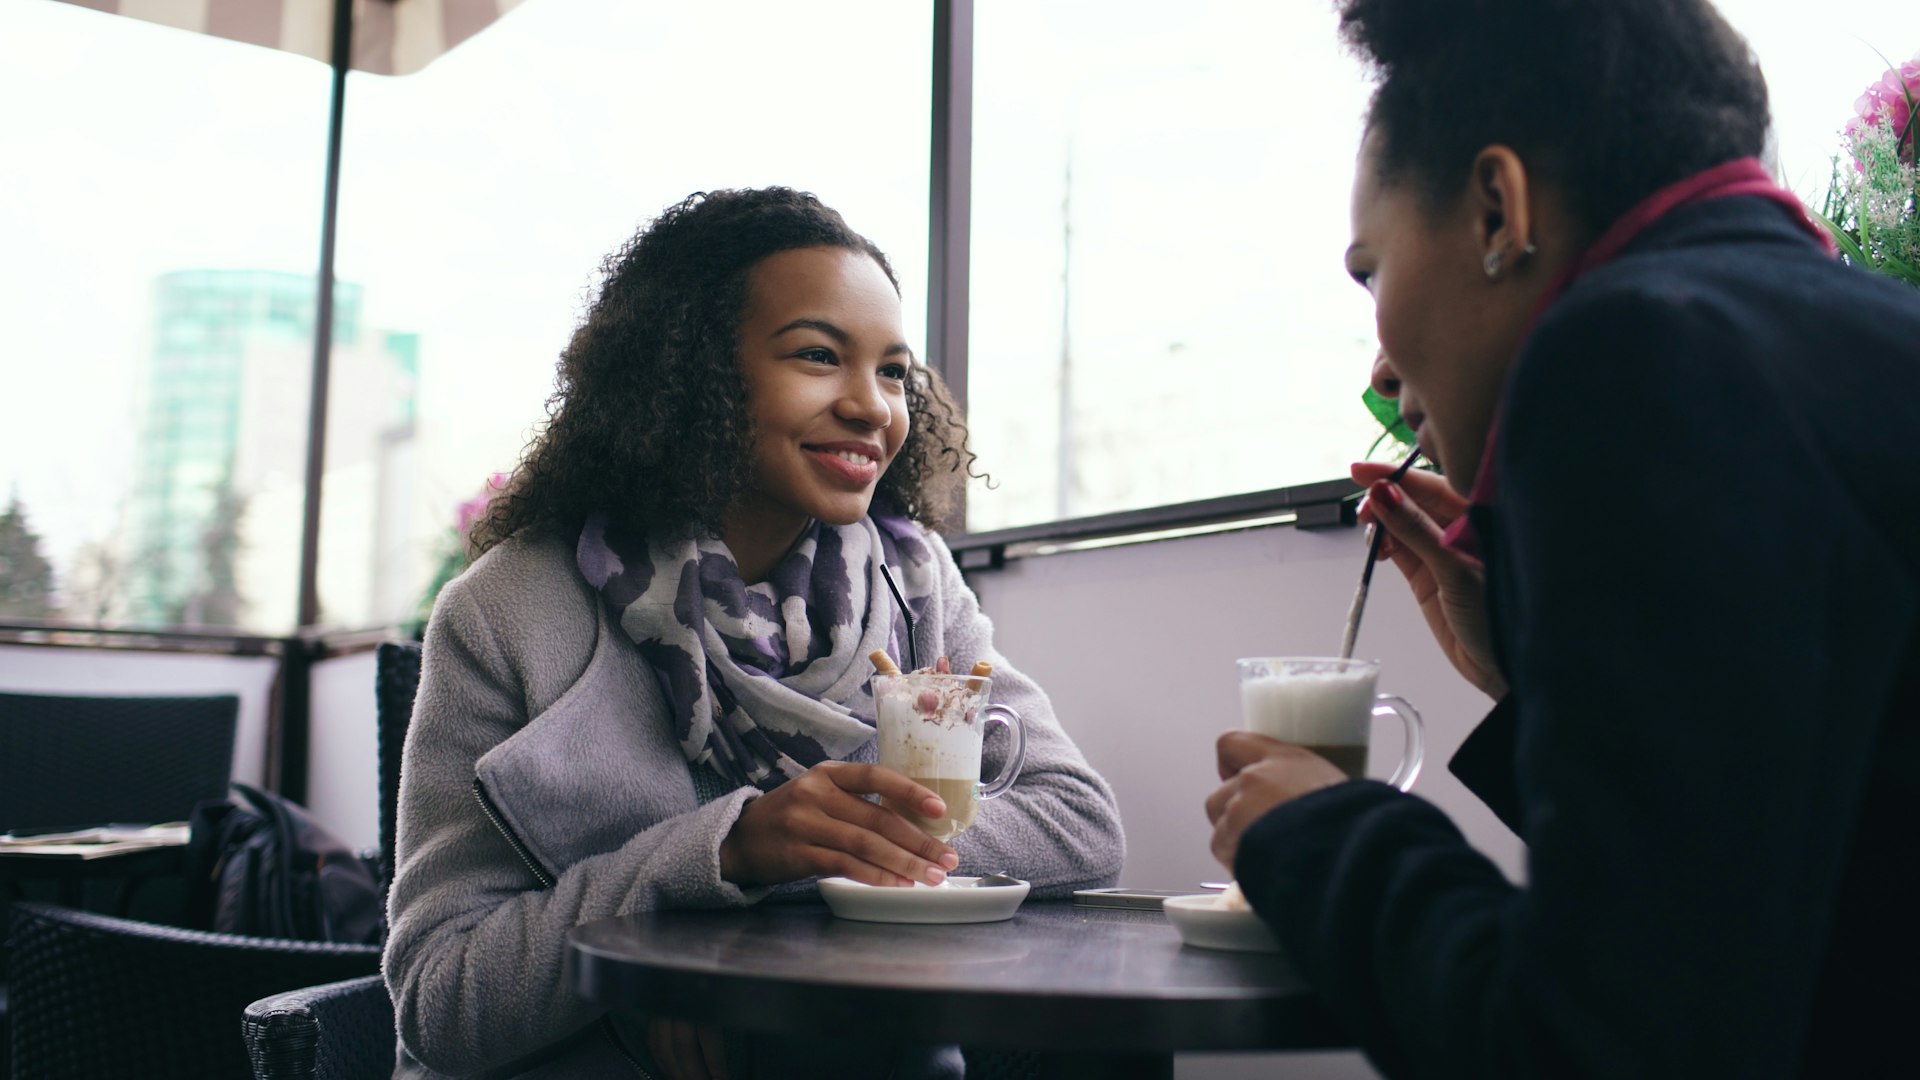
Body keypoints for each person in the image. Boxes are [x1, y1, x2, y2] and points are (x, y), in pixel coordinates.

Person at [1205, 1, 1920, 1077]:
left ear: (1498, 208)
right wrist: (1530, 674)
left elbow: (1597, 1046)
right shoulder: (1857, 334)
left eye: (1371, 272)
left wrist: (1323, 833)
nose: (1382, 377)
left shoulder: (1630, 351)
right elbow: (1764, 920)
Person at [385, 187, 1125, 1080]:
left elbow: (1078, 822)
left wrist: (727, 946)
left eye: (893, 371)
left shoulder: (915, 582)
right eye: (819, 356)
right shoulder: (510, 611)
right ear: (690, 373)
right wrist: (723, 850)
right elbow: (442, 998)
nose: (872, 407)